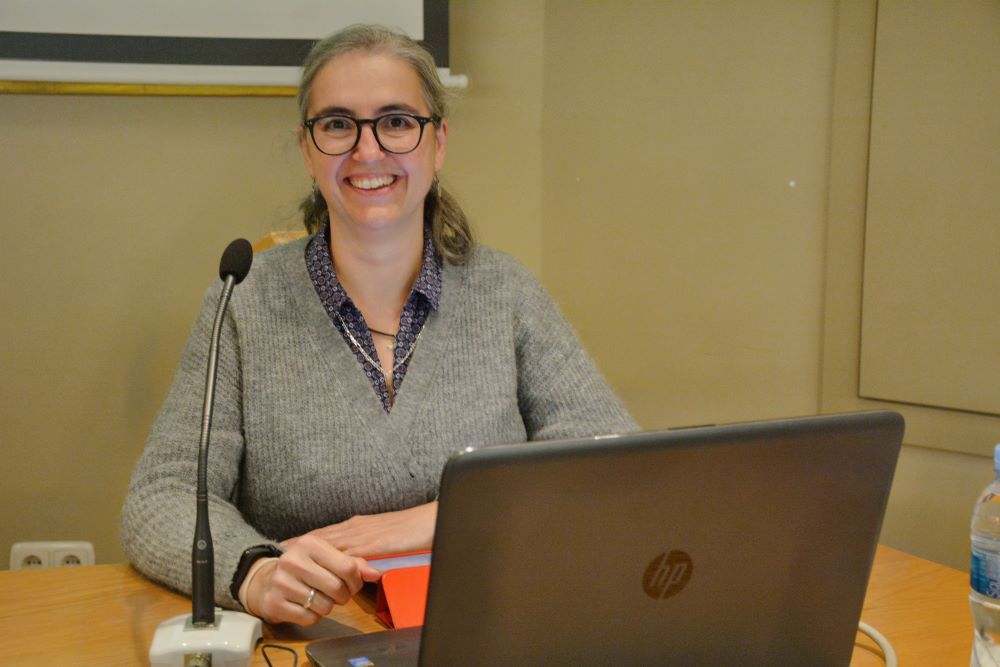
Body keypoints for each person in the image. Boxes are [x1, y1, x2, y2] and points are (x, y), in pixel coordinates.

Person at [120, 24, 636, 627]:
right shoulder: (245, 302)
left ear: (438, 142)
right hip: (316, 636)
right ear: (308, 149)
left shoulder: (505, 291)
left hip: (490, 623)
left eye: (396, 122)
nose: (368, 152)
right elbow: (163, 497)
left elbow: (612, 462)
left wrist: (434, 519)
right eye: (338, 124)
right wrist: (254, 571)